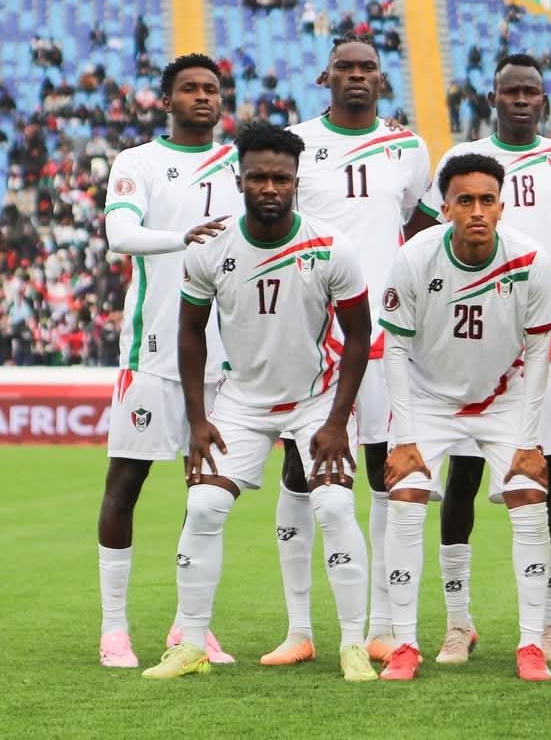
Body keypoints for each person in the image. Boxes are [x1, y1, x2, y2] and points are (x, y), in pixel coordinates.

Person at [143, 122, 376, 682]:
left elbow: (359, 336)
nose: (270, 188)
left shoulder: (330, 246)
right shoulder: (211, 247)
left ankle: (353, 645)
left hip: (316, 399)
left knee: (335, 507)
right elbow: (190, 333)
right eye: (258, 178)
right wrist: (198, 420)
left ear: (297, 181)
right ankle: (191, 643)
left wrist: (337, 421)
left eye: (281, 178)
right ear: (239, 179)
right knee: (203, 506)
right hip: (241, 402)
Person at [404, 54, 551, 665]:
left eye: (530, 91)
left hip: (543, 340)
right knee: (461, 480)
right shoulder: (464, 160)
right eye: (510, 90)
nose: (520, 99)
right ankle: (458, 622)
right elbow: (426, 235)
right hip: (470, 343)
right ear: (492, 98)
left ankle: (550, 622)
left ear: (545, 99)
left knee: (549, 477)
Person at [261, 33, 431, 668]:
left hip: (385, 337)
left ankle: (383, 625)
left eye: (368, 68)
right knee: (299, 472)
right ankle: (299, 629)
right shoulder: (295, 144)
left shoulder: (408, 147)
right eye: (345, 67)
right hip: (313, 336)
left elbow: (416, 224)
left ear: (381, 79)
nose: (357, 76)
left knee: (387, 474)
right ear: (324, 77)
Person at [378, 153, 551, 682]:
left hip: (503, 398)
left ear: (502, 207)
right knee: (405, 497)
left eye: (487, 200)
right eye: (464, 201)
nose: (477, 210)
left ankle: (530, 645)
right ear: (445, 209)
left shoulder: (529, 260)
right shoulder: (415, 257)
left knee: (529, 496)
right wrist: (404, 439)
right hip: (429, 399)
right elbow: (394, 350)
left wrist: (529, 441)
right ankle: (405, 645)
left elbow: (539, 352)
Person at [96, 54, 241, 668]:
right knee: (125, 485)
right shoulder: (139, 162)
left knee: (206, 495)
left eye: (211, 88)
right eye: (190, 88)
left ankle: (190, 627)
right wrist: (182, 239)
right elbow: (119, 235)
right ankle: (114, 629)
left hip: (223, 358)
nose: (203, 96)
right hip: (152, 352)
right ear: (167, 100)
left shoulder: (240, 164)